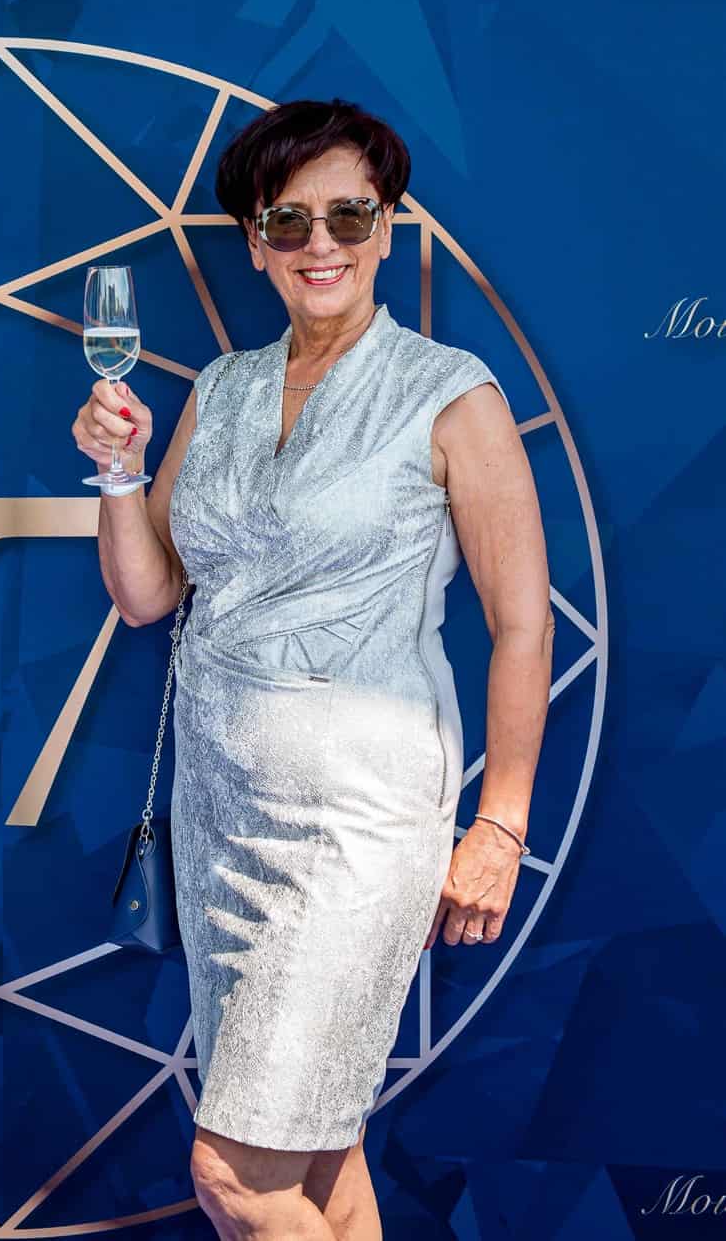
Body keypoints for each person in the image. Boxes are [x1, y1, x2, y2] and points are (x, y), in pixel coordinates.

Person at [72, 99, 551, 1241]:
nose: (319, 241)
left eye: (349, 214)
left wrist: (499, 824)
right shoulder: (222, 388)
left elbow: (521, 624)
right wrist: (120, 473)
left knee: (236, 1171)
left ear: (388, 229)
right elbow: (147, 594)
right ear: (255, 241)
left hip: (357, 826)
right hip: (222, 819)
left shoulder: (451, 392)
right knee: (322, 1158)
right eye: (288, 220)